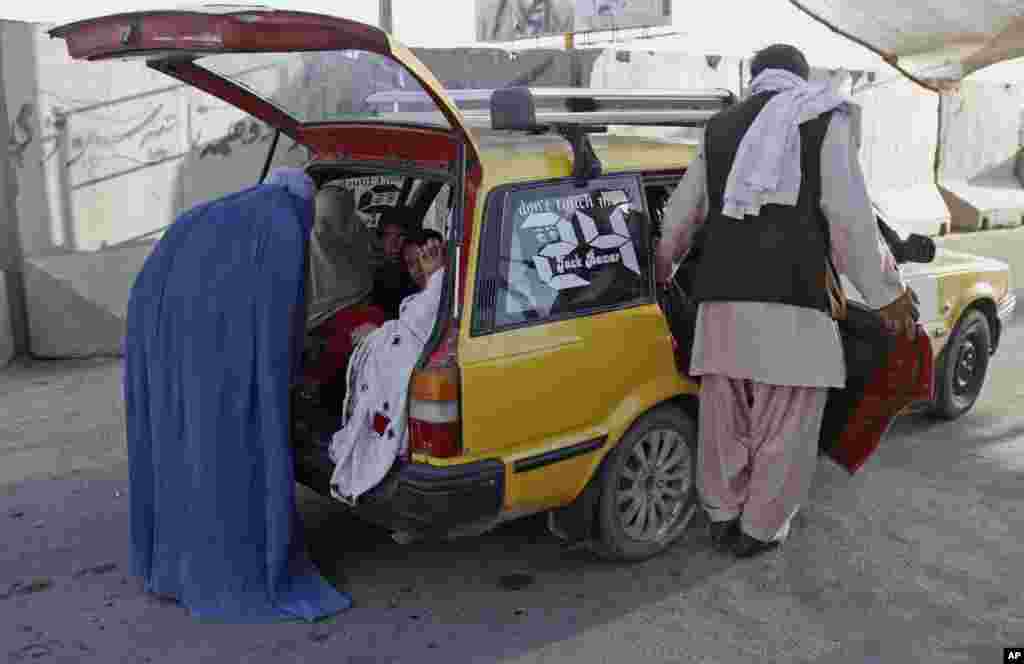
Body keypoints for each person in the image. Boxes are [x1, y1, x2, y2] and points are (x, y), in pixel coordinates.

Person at [654, 44, 918, 558]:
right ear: (801, 76)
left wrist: (661, 273)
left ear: (755, 78)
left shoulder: (720, 129)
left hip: (722, 310)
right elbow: (850, 220)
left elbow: (680, 217)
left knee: (723, 424)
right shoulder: (822, 119)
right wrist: (886, 293)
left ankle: (721, 515)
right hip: (793, 313)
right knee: (786, 431)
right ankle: (759, 530)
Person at [328, 233, 446, 504]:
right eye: (410, 264)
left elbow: (418, 327)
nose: (417, 270)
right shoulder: (413, 295)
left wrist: (436, 277)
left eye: (423, 261)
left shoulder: (442, 291)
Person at [371, 209, 419, 318]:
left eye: (401, 236)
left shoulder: (420, 277)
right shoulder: (374, 277)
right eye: (387, 236)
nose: (393, 244)